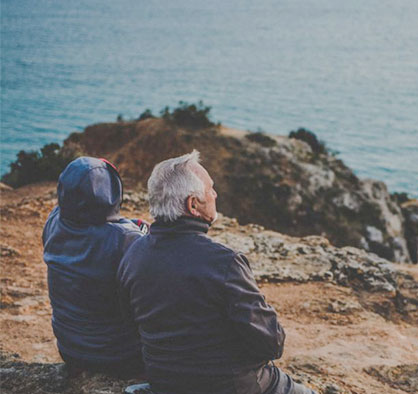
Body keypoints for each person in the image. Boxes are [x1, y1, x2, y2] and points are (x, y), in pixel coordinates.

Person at [118, 150, 315, 394]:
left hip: (164, 381)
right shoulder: (224, 262)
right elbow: (271, 343)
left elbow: (130, 323)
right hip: (231, 385)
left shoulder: (133, 254)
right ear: (193, 204)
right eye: (210, 189)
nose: (215, 194)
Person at [43, 157, 147, 378]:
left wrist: (127, 224)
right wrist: (140, 231)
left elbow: (93, 226)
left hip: (70, 349)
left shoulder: (54, 220)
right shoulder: (127, 240)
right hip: (119, 356)